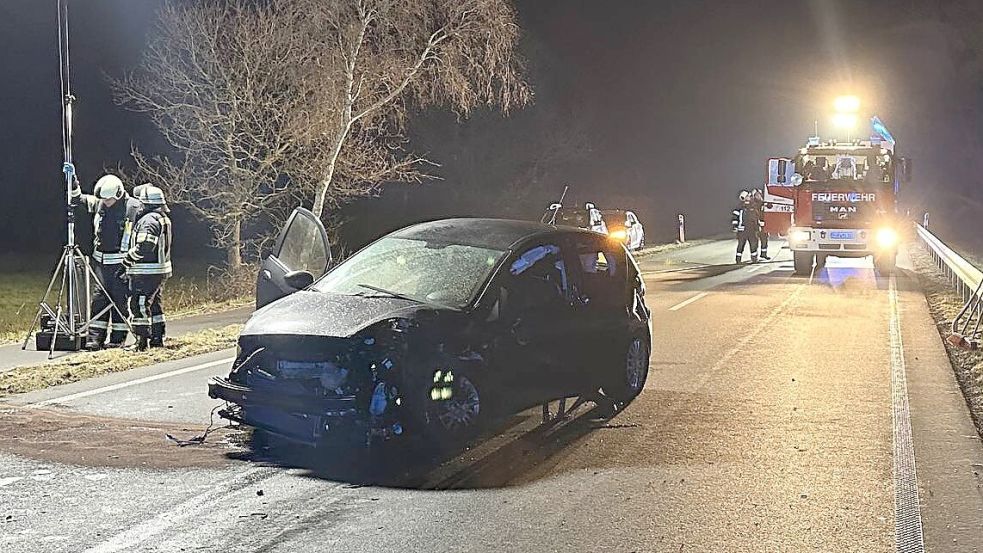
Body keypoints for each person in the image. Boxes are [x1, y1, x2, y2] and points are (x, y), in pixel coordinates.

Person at [71, 174, 143, 350]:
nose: (106, 203)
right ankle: (95, 339)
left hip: (122, 263)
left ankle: (117, 339)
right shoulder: (100, 203)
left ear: (118, 194)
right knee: (99, 300)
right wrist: (72, 180)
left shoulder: (133, 207)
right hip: (101, 262)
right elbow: (78, 198)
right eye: (103, 199)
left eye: (109, 200)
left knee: (120, 301)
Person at [122, 184, 173, 350]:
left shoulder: (148, 220)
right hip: (158, 270)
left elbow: (145, 247)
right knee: (155, 304)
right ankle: (157, 338)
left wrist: (127, 261)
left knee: (139, 304)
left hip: (146, 271)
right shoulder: (162, 217)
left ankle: (141, 342)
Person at [731, 190, 759, 264]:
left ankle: (754, 259)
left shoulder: (753, 206)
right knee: (741, 245)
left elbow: (756, 218)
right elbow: (735, 218)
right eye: (748, 196)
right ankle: (738, 259)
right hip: (742, 230)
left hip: (751, 230)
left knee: (753, 244)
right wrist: (735, 226)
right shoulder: (739, 207)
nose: (749, 197)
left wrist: (757, 228)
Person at [750, 189, 770, 260]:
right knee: (754, 242)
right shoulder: (751, 204)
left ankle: (763, 254)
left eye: (759, 194)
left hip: (763, 225)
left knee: (764, 240)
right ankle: (754, 257)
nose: (758, 196)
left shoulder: (763, 203)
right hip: (754, 226)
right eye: (756, 195)